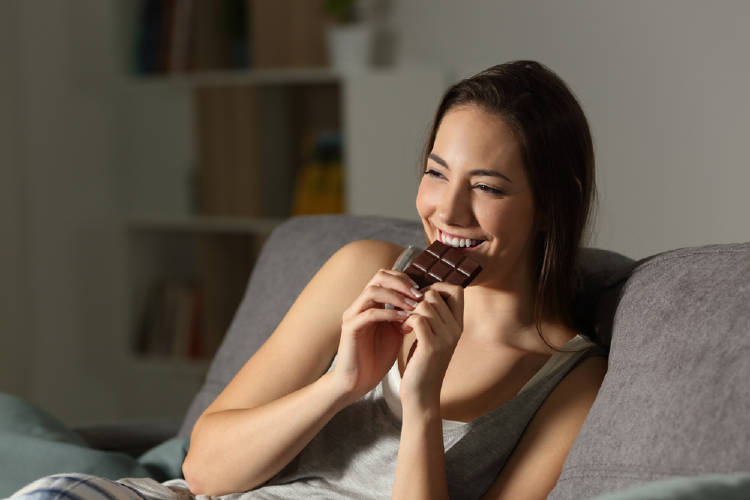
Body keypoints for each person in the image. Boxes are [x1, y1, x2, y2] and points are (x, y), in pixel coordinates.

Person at [11, 60, 606, 500]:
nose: (447, 212)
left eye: (487, 186)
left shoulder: (568, 381)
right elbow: (204, 471)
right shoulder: (364, 269)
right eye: (435, 172)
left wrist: (421, 403)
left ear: (553, 203)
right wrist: (342, 384)